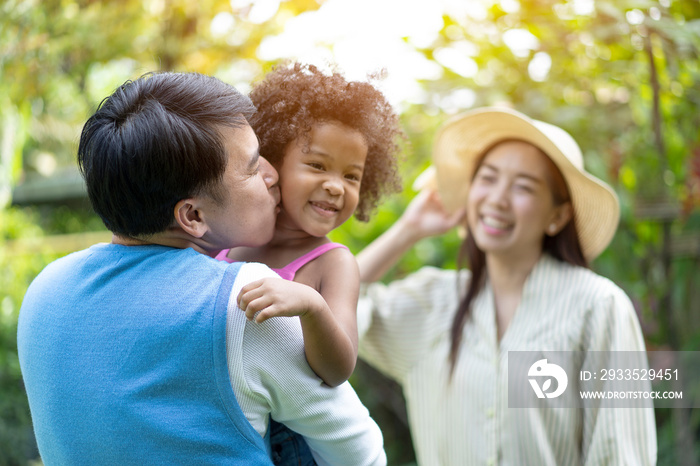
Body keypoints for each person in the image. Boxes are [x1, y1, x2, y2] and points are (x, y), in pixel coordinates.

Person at [17, 71, 386, 466]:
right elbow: (359, 454)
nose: (272, 173)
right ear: (192, 215)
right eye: (251, 166)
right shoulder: (240, 302)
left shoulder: (44, 289)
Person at [356, 107, 657, 465]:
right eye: (488, 178)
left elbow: (619, 451)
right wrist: (409, 230)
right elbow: (324, 307)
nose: (497, 198)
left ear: (557, 216)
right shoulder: (432, 303)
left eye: (523, 186)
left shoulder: (597, 305)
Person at [215, 62, 402, 465]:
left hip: (293, 447)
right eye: (317, 165)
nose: (336, 185)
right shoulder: (228, 243)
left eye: (352, 176)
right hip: (227, 429)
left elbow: (337, 370)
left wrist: (312, 306)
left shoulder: (333, 264)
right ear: (271, 162)